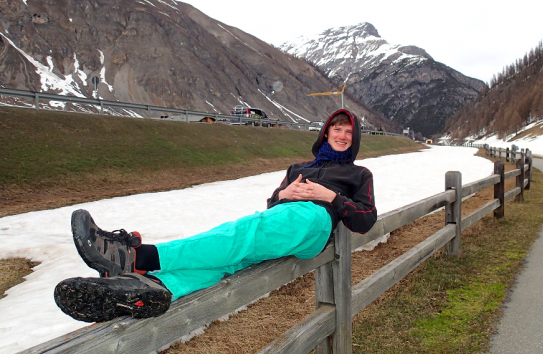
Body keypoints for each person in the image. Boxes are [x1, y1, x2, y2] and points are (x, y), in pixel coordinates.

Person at [54, 109, 377, 323]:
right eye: (337, 128)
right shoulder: (299, 168)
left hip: (315, 223)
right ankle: (145, 289)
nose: (342, 135)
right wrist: (283, 195)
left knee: (241, 234)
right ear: (325, 132)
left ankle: (137, 256)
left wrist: (331, 196)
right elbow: (271, 205)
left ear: (355, 138)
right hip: (285, 219)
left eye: (349, 131)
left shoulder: (358, 173)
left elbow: (365, 219)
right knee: (230, 258)